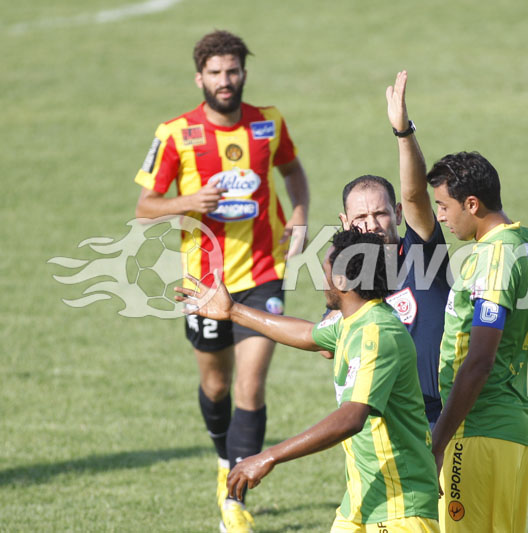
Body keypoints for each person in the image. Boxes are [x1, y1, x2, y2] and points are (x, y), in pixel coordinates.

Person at [133, 30, 310, 532]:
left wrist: (298, 213)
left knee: (250, 386)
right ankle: (222, 458)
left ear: (243, 74)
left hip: (264, 272)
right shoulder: (174, 133)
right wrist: (187, 203)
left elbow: (293, 170)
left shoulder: (268, 122)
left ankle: (234, 497)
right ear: (200, 78)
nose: (225, 81)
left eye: (233, 71)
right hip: (205, 283)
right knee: (216, 386)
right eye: (216, 73)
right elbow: (145, 209)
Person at [175, 228, 441, 532]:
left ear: (342, 281)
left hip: (399, 510)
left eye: (326, 270)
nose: (321, 280)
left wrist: (269, 456)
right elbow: (306, 334)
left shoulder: (377, 333)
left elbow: (351, 418)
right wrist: (233, 311)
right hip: (361, 504)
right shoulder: (354, 321)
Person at [426, 151, 528, 533]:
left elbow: (480, 360)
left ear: (472, 204)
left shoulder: (494, 256)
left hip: (476, 433)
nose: (440, 215)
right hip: (514, 432)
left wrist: (438, 443)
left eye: (443, 205)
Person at [335, 70, 450, 428]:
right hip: (383, 425)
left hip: (442, 418)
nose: (370, 224)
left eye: (380, 213)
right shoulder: (346, 283)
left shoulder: (422, 253)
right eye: (360, 217)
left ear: (397, 214)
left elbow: (416, 193)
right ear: (344, 223)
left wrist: (403, 133)